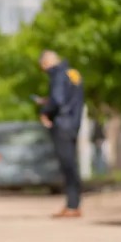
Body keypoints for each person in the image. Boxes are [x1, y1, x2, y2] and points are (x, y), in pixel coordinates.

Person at [35, 50, 85, 218]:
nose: (43, 70)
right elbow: (70, 99)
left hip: (62, 125)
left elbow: (57, 100)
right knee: (72, 165)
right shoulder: (73, 73)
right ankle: (73, 204)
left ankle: (72, 206)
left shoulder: (58, 75)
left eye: (42, 66)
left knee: (67, 166)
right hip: (73, 124)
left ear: (46, 63)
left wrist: (44, 112)